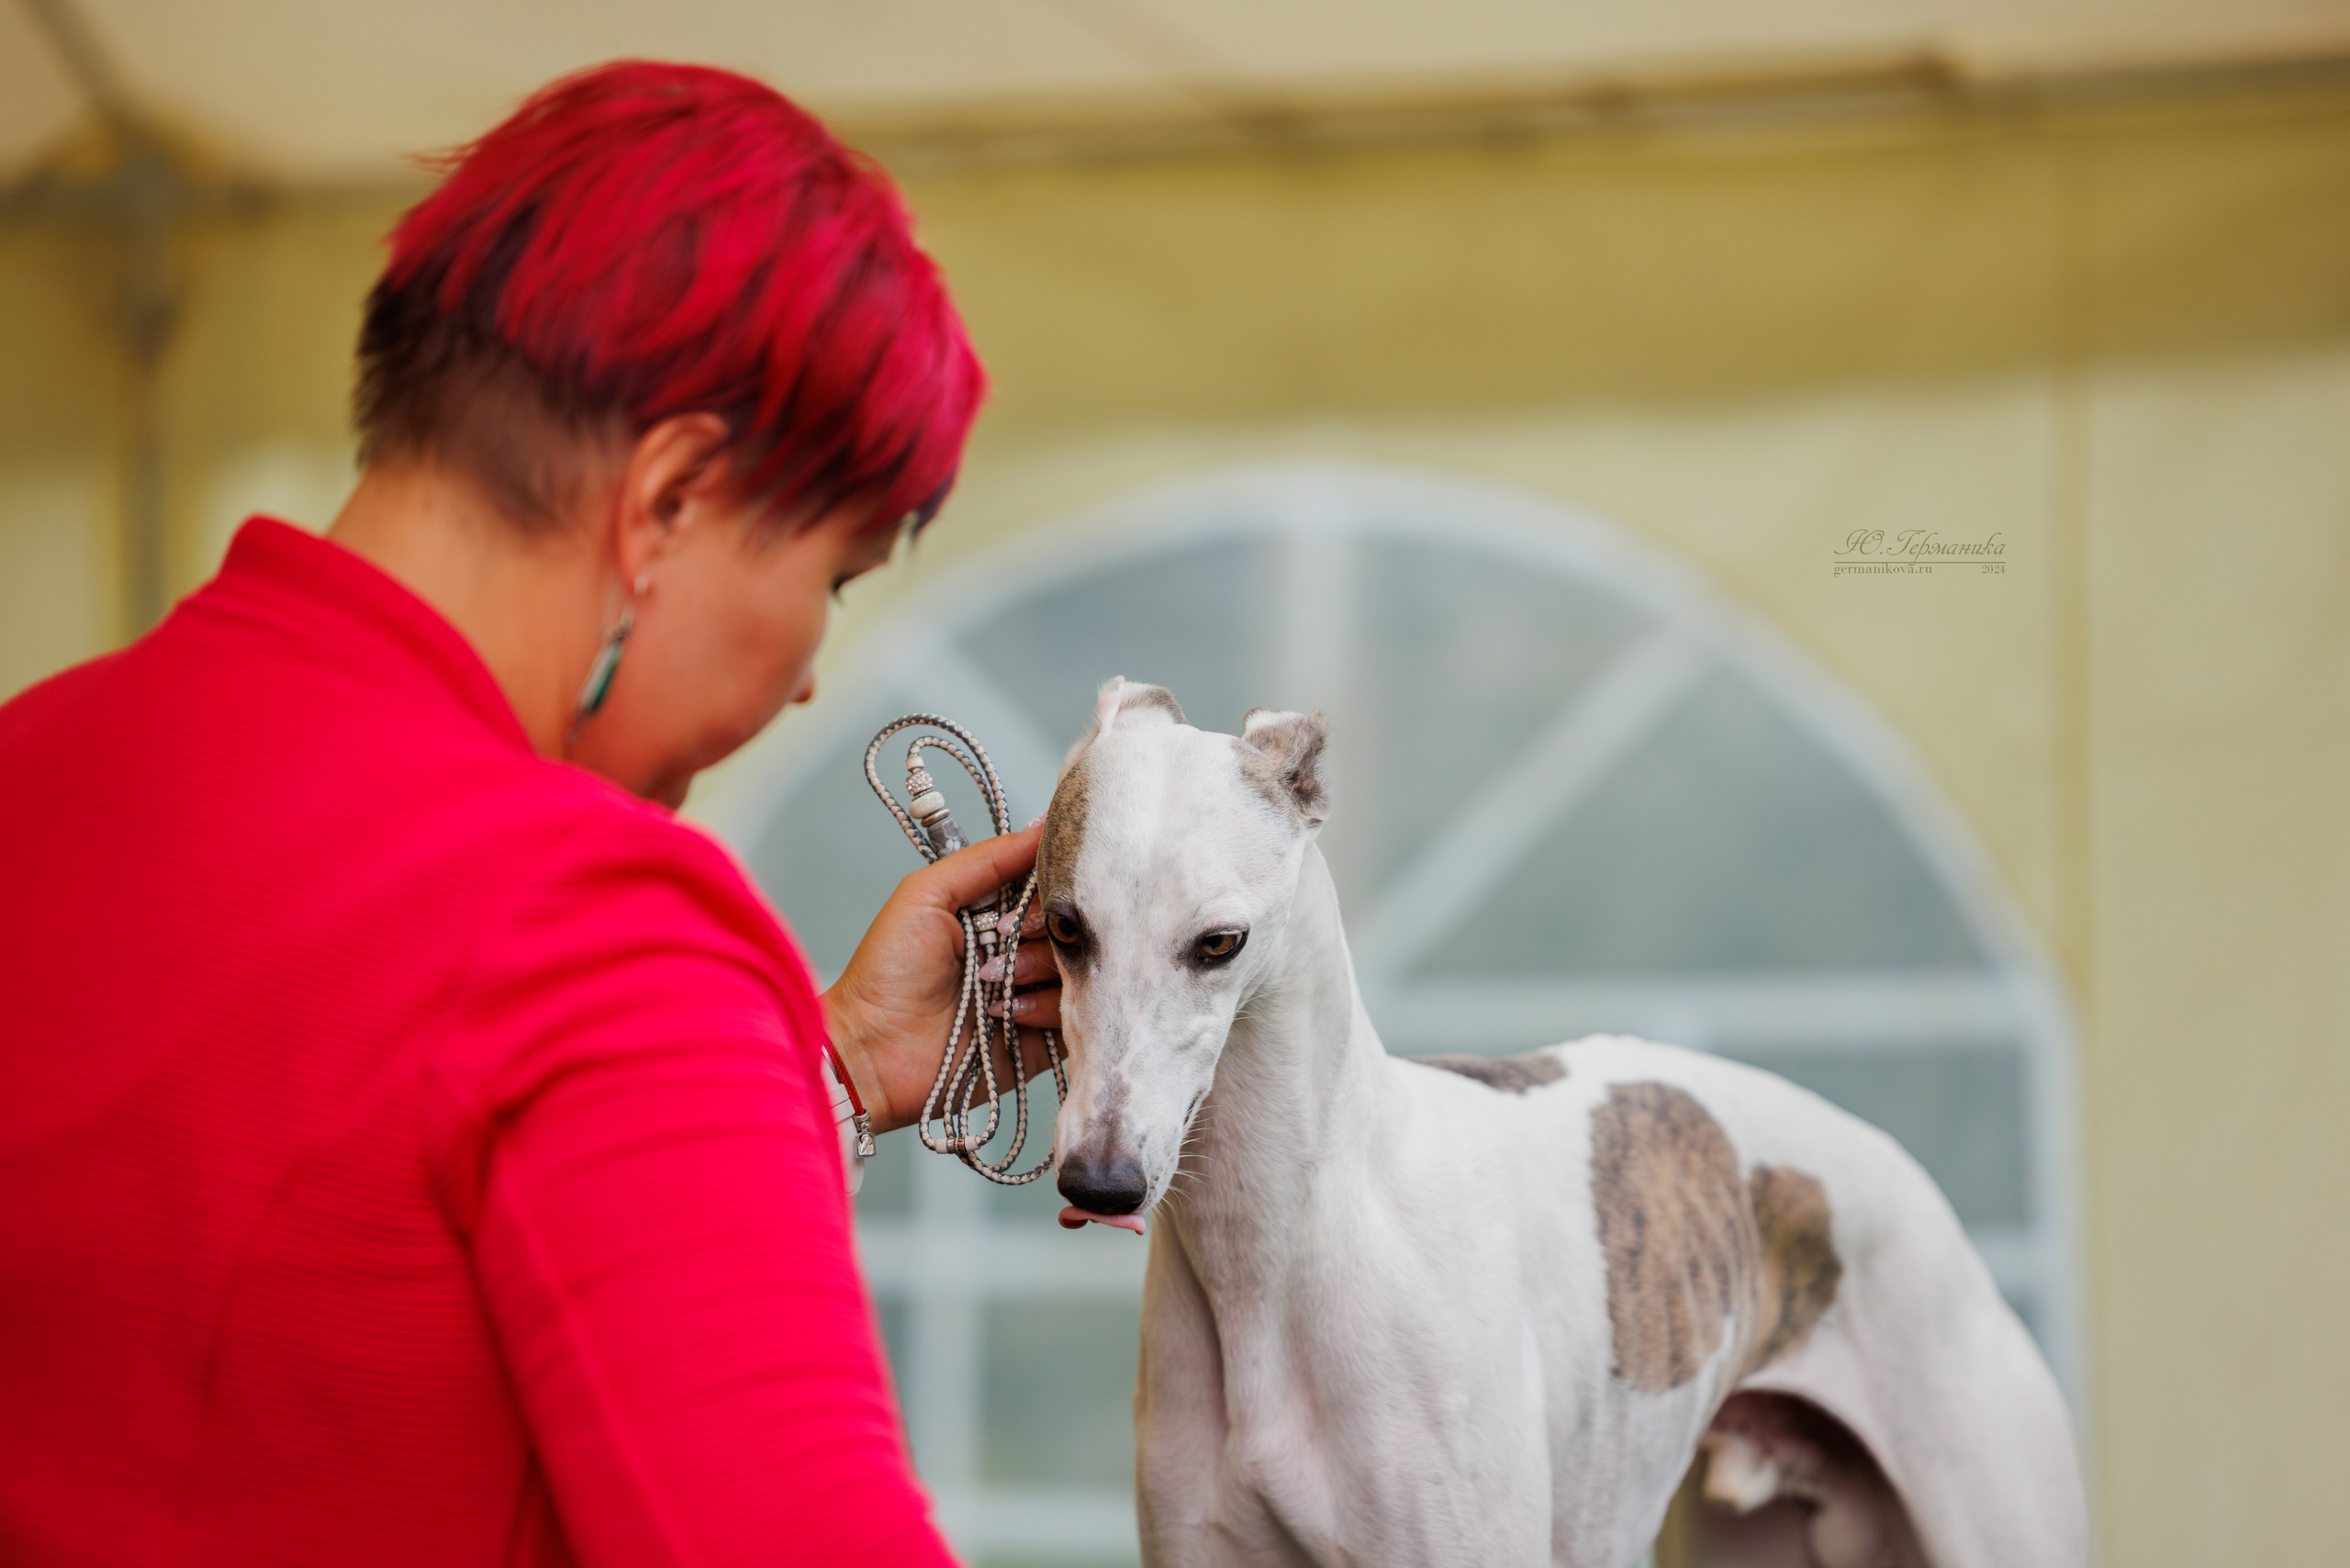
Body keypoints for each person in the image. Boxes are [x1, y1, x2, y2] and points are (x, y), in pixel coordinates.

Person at [0, 62, 1058, 1566]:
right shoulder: (594, 925)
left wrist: (812, 1075)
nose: (812, 677)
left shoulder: (36, 763)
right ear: (670, 499)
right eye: (832, 578)